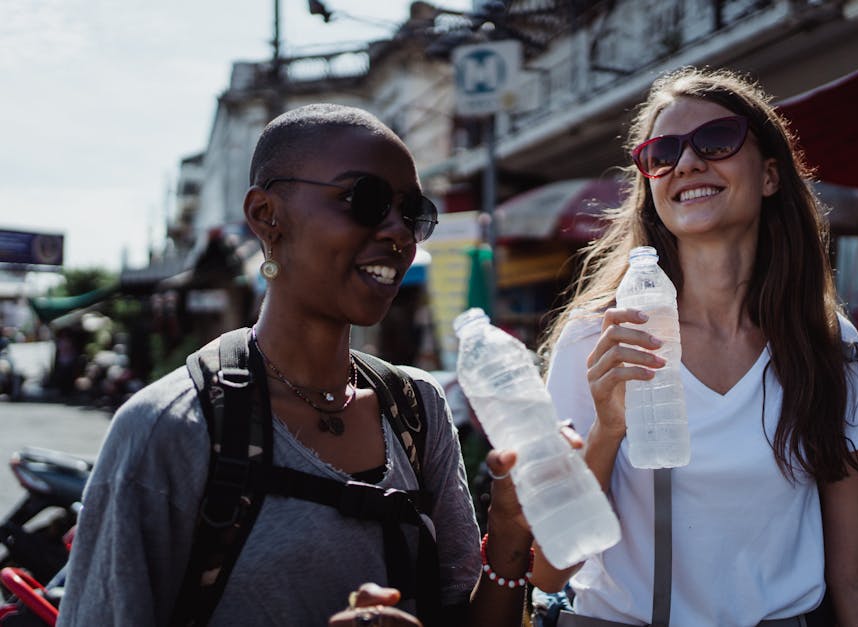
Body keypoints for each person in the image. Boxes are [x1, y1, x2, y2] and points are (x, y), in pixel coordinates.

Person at [57, 104, 535, 627]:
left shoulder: (416, 407)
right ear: (267, 216)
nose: (399, 232)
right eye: (367, 200)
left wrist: (509, 536)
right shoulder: (168, 428)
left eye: (413, 212)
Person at [533, 67, 858, 626]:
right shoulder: (600, 338)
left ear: (771, 175)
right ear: (650, 184)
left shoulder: (825, 343)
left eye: (716, 141)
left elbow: (857, 569)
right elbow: (547, 570)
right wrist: (609, 431)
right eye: (662, 152)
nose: (686, 163)